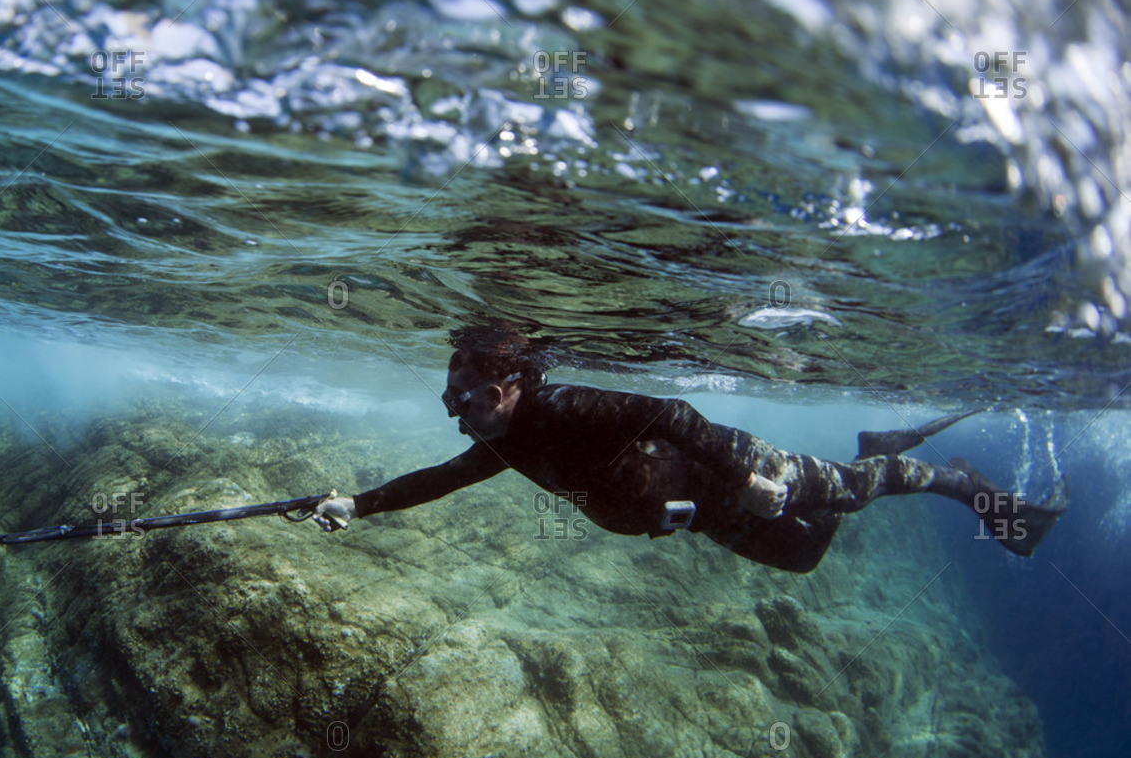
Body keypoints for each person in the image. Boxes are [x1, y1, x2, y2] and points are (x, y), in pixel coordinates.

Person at [310, 339, 1067, 574]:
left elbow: (669, 412)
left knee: (857, 489)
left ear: (510, 386)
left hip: (736, 472)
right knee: (803, 561)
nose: (457, 417)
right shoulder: (506, 443)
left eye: (465, 399)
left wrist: (747, 477)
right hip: (700, 515)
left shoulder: (563, 407)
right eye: (450, 404)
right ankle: (875, 450)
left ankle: (966, 487)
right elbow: (441, 479)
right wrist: (360, 503)